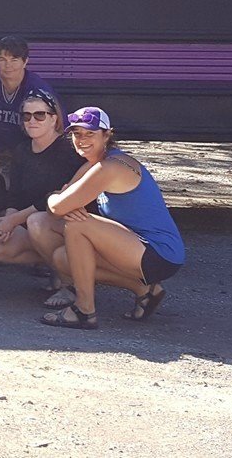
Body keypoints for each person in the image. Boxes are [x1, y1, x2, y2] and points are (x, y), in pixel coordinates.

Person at [36, 107, 186, 330]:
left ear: (106, 135)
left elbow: (57, 206)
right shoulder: (94, 165)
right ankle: (146, 290)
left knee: (77, 225)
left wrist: (55, 198)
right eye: (77, 134)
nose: (82, 139)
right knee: (62, 258)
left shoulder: (110, 167)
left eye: (90, 133)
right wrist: (60, 201)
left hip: (160, 253)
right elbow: (56, 208)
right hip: (139, 247)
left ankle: (84, 311)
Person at [0, 90, 85, 278]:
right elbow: (14, 194)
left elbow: (50, 199)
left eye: (40, 115)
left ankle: (68, 280)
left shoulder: (69, 150)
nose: (32, 120)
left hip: (67, 222)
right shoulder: (22, 150)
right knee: (1, 247)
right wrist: (8, 221)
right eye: (26, 116)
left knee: (36, 223)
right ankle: (55, 263)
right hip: (34, 220)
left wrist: (13, 221)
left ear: (54, 119)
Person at [0, 36, 60, 156]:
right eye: (2, 59)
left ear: (25, 62)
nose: (8, 65)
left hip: (31, 150)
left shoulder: (38, 88)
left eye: (14, 60)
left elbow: (56, 127)